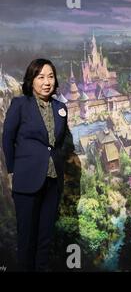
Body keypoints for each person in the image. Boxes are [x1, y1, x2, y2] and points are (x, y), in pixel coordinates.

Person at [2, 58, 71, 271]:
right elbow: (7, 139)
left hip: (52, 182)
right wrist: (14, 171)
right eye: (40, 77)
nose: (46, 82)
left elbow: (58, 143)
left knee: (44, 239)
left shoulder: (61, 108)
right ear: (31, 81)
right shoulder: (20, 104)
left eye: (50, 76)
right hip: (27, 181)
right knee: (27, 240)